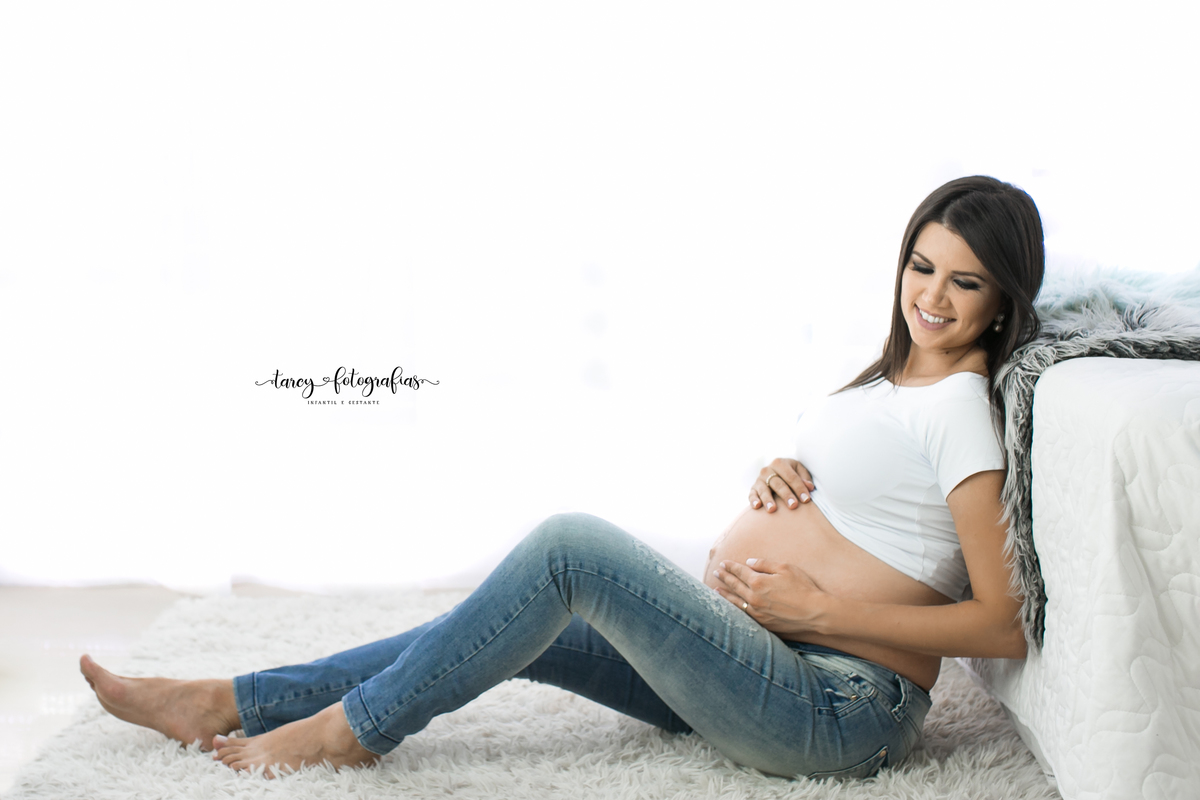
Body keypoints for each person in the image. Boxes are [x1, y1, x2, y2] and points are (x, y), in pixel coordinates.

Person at [80, 175, 1045, 781]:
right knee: (525, 625)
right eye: (922, 266)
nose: (931, 296)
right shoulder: (891, 384)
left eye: (963, 282)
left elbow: (1002, 623)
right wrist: (786, 473)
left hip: (838, 709)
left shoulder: (963, 408)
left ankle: (349, 732)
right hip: (765, 666)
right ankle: (232, 700)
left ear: (1004, 297)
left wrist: (822, 610)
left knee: (568, 550)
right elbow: (878, 507)